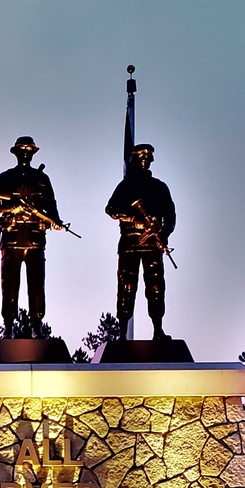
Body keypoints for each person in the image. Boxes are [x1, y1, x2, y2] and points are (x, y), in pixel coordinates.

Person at [0, 136, 63, 339]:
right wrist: (12, 207)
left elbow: (52, 208)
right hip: (12, 238)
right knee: (9, 284)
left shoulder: (42, 180)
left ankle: (36, 325)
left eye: (29, 150)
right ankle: (8, 326)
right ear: (16, 153)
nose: (26, 154)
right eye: (23, 150)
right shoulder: (5, 178)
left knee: (37, 284)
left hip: (35, 238)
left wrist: (56, 222)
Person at [104, 143, 176, 341]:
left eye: (147, 160)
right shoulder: (125, 186)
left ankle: (157, 329)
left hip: (153, 245)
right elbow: (111, 209)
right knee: (126, 287)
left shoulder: (160, 187)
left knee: (155, 287)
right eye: (141, 159)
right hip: (129, 244)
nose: (144, 163)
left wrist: (163, 235)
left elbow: (170, 216)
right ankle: (122, 331)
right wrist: (134, 219)